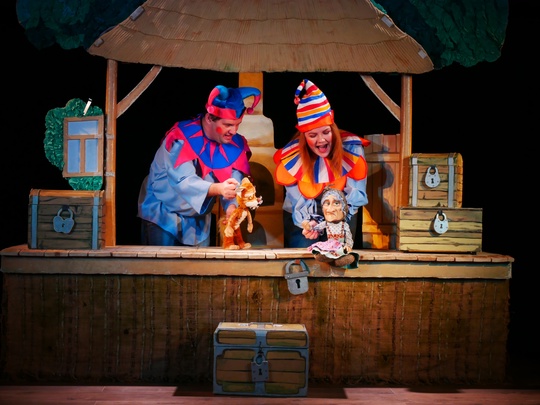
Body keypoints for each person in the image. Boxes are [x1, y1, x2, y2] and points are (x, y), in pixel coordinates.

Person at [138, 85, 261, 246]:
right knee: (162, 261)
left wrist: (231, 206)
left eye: (237, 124)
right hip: (163, 214)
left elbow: (234, 182)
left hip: (198, 221)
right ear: (210, 118)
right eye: (227, 125)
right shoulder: (181, 138)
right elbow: (183, 181)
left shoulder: (234, 144)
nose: (233, 131)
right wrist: (218, 188)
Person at [274, 78, 370, 248]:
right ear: (304, 137)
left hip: (342, 213)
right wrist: (308, 222)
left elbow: (356, 193)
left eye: (326, 132)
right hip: (303, 217)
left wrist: (337, 218)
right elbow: (297, 200)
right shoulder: (292, 158)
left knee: (339, 256)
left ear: (333, 129)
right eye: (313, 135)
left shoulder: (352, 150)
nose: (321, 140)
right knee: (305, 258)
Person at [305, 187, 360, 269]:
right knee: (323, 253)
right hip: (330, 246)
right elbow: (317, 228)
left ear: (344, 208)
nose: (330, 209)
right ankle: (327, 257)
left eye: (336, 203)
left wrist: (348, 245)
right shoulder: (326, 224)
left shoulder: (344, 225)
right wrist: (310, 227)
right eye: (327, 203)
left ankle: (339, 261)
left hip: (340, 247)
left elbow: (348, 237)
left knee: (346, 256)